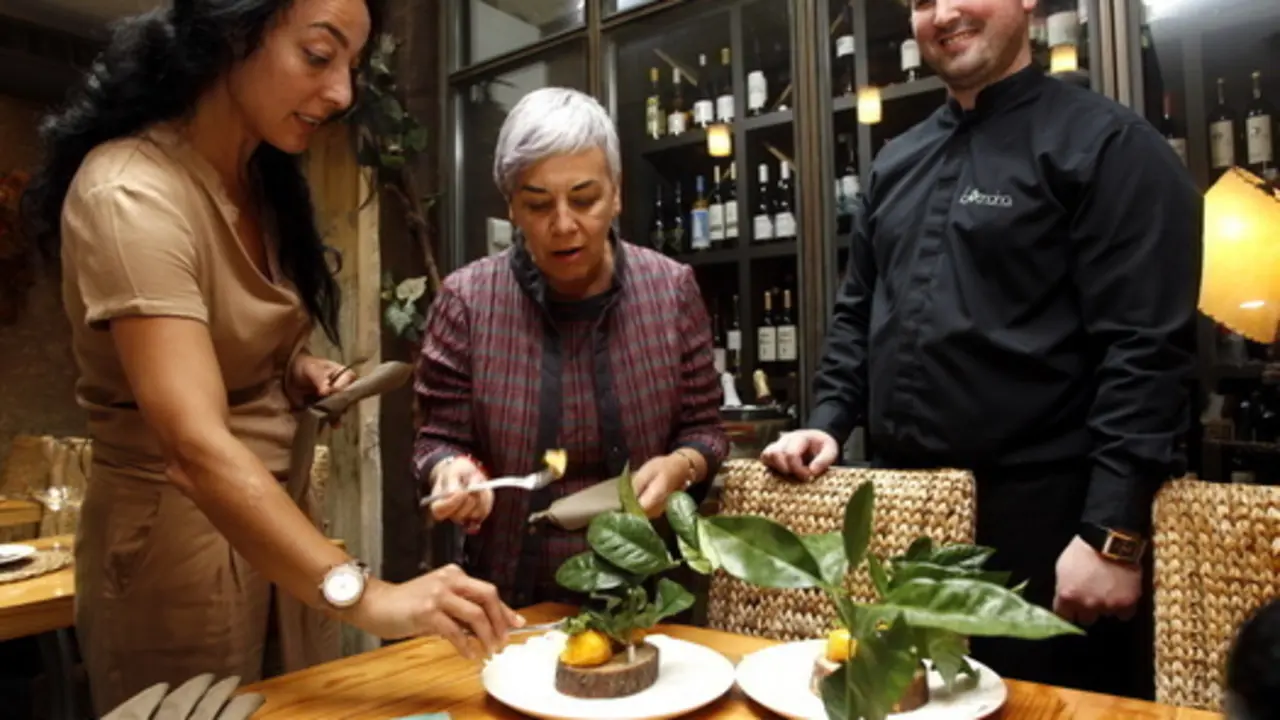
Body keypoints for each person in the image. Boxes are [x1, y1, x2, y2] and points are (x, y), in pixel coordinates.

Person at [22, 0, 520, 713]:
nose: (342, 92)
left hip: (280, 528)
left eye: (351, 66)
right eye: (318, 56)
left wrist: (294, 369)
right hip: (175, 549)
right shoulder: (130, 190)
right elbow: (193, 447)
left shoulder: (258, 180)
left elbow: (229, 341)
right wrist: (369, 595)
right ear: (226, 33)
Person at [760, 0, 1201, 701]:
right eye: (922, 1)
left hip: (1051, 534)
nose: (944, 13)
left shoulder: (1109, 145)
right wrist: (828, 417)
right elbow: (857, 312)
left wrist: (1112, 532)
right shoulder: (896, 160)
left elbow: (1147, 352)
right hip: (910, 522)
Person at [414, 87, 729, 608]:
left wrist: (681, 467)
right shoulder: (468, 301)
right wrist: (450, 471)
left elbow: (705, 431)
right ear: (512, 206)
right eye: (538, 204)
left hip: (648, 600)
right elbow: (436, 440)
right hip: (505, 602)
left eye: (584, 199)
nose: (564, 225)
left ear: (617, 192)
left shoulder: (670, 290)